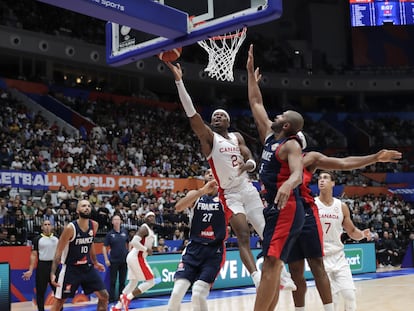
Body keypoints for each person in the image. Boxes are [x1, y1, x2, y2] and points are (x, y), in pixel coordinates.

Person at [247, 44, 402, 311]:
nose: (276, 115)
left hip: (296, 208)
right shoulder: (270, 138)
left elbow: (337, 164)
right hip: (276, 207)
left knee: (288, 264)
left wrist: (375, 157)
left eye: (281, 115)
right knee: (280, 268)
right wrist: (250, 74)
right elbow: (256, 102)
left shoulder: (296, 149)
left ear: (289, 128)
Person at [166, 61, 264, 288]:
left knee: (266, 232)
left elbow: (251, 160)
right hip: (230, 193)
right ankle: (256, 277)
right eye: (215, 116)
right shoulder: (210, 138)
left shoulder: (237, 137)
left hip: (248, 188)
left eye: (222, 115)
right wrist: (179, 81)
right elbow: (192, 115)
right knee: (242, 235)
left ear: (229, 121)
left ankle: (280, 274)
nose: (217, 117)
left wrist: (247, 166)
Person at [167, 168, 226, 311]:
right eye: (207, 171)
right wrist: (202, 191)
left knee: (198, 294)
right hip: (193, 249)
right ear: (204, 177)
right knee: (176, 294)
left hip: (213, 252)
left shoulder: (225, 197)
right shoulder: (196, 195)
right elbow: (178, 207)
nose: (211, 173)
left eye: (214, 171)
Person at [315, 171, 371, 311]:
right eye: (320, 178)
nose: (321, 180)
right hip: (321, 258)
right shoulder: (313, 204)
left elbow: (351, 232)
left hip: (339, 256)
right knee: (332, 301)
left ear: (333, 183)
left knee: (350, 296)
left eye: (325, 178)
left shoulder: (341, 206)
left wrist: (362, 234)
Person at [49, 200, 108, 311]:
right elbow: (58, 252)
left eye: (89, 206)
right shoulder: (70, 228)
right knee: (59, 301)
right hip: (71, 269)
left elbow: (90, 244)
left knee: (104, 296)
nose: (87, 208)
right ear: (77, 210)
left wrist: (95, 262)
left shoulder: (94, 225)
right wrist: (53, 272)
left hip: (87, 268)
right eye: (83, 206)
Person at [110, 211, 156, 311]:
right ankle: (128, 297)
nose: (152, 218)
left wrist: (151, 249)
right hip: (137, 257)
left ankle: (117, 307)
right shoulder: (144, 228)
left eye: (153, 217)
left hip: (133, 257)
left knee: (133, 283)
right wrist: (146, 250)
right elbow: (134, 242)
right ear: (145, 219)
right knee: (151, 281)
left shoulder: (150, 230)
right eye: (149, 217)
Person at [22, 220, 59, 311]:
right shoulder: (37, 239)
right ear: (42, 227)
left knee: (58, 292)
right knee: (40, 292)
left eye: (49, 224)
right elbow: (33, 255)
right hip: (42, 266)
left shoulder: (57, 238)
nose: (47, 226)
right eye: (45, 224)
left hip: (55, 266)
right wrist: (30, 270)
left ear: (52, 227)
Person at [102, 215, 129, 303]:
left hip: (124, 261)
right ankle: (112, 298)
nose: (117, 221)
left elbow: (129, 243)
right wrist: (106, 259)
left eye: (118, 219)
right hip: (113, 261)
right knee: (113, 281)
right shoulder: (110, 234)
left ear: (120, 221)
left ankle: (121, 298)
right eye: (115, 220)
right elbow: (104, 247)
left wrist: (129, 253)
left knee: (122, 281)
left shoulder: (124, 232)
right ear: (112, 222)